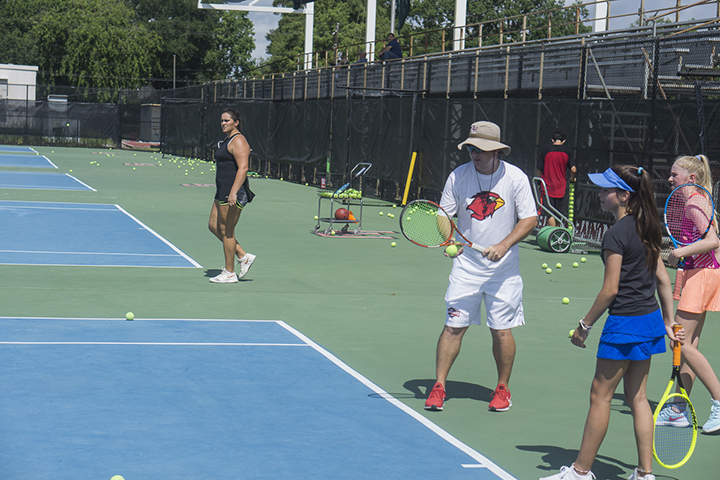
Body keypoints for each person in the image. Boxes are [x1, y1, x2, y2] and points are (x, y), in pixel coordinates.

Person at [541, 166, 682, 480]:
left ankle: (580, 472)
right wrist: (668, 321)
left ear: (624, 196)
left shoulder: (615, 235)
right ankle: (645, 475)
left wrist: (585, 325)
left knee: (600, 396)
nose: (601, 194)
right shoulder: (647, 227)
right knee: (638, 397)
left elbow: (610, 289)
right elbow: (662, 279)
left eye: (606, 190)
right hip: (649, 322)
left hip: (624, 324)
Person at [424, 121, 537, 413]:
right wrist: (449, 237)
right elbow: (442, 214)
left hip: (504, 271)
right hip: (466, 268)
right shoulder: (458, 176)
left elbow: (529, 219)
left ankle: (502, 388)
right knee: (453, 327)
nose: (475, 154)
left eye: (482, 150)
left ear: (496, 151)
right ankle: (439, 386)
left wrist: (504, 245)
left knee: (501, 330)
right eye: (472, 148)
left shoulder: (515, 178)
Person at [661, 154, 720, 433]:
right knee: (688, 345)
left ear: (691, 178)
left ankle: (719, 401)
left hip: (703, 274)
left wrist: (679, 252)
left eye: (675, 174)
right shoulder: (695, 200)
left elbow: (713, 241)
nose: (669, 179)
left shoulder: (695, 200)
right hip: (702, 273)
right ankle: (678, 409)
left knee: (680, 342)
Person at [207, 108, 256, 283]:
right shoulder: (227, 140)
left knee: (228, 231)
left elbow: (243, 168)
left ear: (236, 122)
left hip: (232, 192)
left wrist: (234, 192)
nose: (223, 123)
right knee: (213, 226)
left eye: (227, 120)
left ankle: (230, 273)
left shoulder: (239, 141)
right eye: (221, 121)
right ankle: (243, 256)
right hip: (222, 190)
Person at [536, 131, 576, 227]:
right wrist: (572, 179)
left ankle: (553, 233)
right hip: (561, 187)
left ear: (552, 140)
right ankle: (557, 234)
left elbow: (539, 169)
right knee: (558, 212)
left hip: (547, 186)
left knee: (550, 212)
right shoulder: (568, 152)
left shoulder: (545, 150)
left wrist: (538, 183)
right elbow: (573, 169)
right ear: (564, 141)